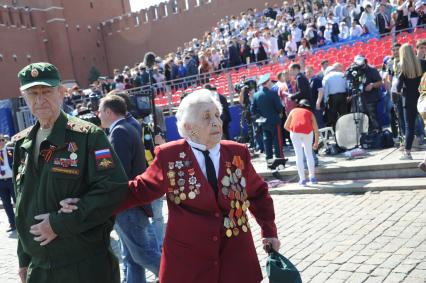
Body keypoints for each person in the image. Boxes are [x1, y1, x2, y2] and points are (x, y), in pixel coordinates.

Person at [61, 89, 280, 283]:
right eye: (206, 117)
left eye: (216, 115)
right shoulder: (170, 156)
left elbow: (258, 193)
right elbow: (138, 190)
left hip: (236, 258)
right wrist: (87, 201)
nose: (216, 122)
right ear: (188, 127)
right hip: (190, 262)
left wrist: (269, 231)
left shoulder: (237, 153)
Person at [12, 62, 128, 283]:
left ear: (61, 93)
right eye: (32, 93)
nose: (39, 99)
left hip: (83, 267)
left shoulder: (88, 136)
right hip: (40, 270)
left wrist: (59, 224)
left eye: (46, 91)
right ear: (24, 98)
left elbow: (113, 188)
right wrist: (23, 259)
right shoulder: (21, 144)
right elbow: (22, 203)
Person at [97, 95, 161, 283]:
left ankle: (179, 277)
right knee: (132, 258)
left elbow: (118, 172)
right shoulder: (129, 126)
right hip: (131, 202)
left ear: (109, 112)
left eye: (100, 111)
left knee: (143, 255)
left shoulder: (119, 132)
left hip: (127, 204)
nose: (98, 115)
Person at [397, 44, 425, 160]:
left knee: (410, 127)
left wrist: (402, 90)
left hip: (408, 100)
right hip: (423, 97)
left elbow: (398, 87)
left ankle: (407, 153)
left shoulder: (402, 66)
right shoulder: (423, 63)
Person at [284, 99, 320, 186]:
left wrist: (293, 132)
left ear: (299, 105)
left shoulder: (293, 111)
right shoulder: (310, 113)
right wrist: (316, 143)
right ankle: (312, 178)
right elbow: (316, 130)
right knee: (309, 155)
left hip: (295, 132)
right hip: (308, 133)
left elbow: (285, 126)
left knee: (298, 155)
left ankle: (302, 180)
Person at [251, 74, 284, 161]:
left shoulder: (256, 95)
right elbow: (279, 107)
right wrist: (278, 113)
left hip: (264, 122)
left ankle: (269, 159)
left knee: (267, 141)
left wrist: (261, 116)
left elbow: (253, 110)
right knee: (277, 141)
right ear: (268, 82)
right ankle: (279, 159)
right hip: (274, 121)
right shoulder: (273, 93)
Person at [321, 63, 348, 129]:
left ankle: (335, 130)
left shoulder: (326, 77)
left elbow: (325, 91)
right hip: (343, 96)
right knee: (343, 114)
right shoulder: (342, 74)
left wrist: (325, 101)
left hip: (332, 97)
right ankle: (345, 129)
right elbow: (347, 86)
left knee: (333, 115)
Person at [0, 134, 15, 232]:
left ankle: (23, 222)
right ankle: (12, 224)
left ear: (4, 141)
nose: (0, 142)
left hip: (11, 180)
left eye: (1, 140)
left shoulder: (10, 150)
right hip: (1, 182)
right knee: (6, 204)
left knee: (18, 202)